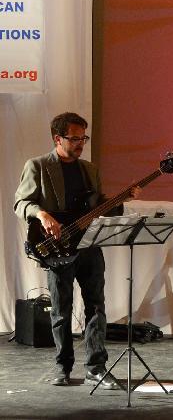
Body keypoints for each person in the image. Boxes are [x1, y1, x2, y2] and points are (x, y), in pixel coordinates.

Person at [14, 112, 138, 389]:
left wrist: (122, 199)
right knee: (61, 309)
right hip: (57, 247)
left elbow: (95, 208)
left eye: (84, 137)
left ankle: (96, 367)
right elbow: (21, 203)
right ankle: (63, 367)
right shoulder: (38, 166)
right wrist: (42, 214)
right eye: (75, 138)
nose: (81, 142)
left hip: (89, 245)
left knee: (96, 306)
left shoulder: (90, 169)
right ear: (57, 138)